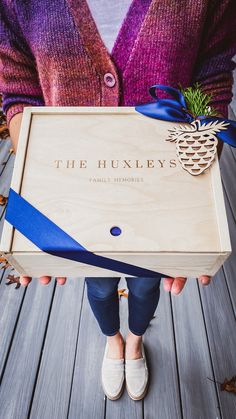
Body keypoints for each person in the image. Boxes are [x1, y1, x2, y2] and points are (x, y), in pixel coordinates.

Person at [0, 0, 235, 402]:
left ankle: (136, 340)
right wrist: (42, 203)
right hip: (78, 209)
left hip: (161, 204)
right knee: (99, 285)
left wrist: (192, 201)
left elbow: (213, 72)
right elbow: (17, 85)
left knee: (147, 287)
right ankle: (113, 339)